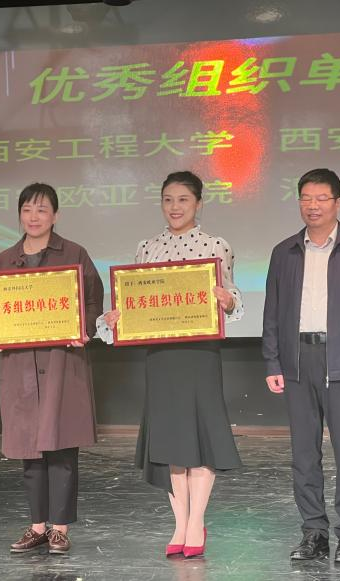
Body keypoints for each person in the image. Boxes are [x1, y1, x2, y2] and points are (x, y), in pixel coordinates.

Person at [98, 171, 243, 559]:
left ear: (198, 203)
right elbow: (134, 301)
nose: (174, 207)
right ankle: (180, 523)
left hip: (199, 354)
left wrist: (227, 300)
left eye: (183, 199)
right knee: (171, 440)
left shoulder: (216, 245)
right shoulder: (147, 248)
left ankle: (197, 522)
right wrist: (117, 318)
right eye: (167, 200)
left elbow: (232, 294)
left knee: (200, 437)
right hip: (161, 356)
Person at [262, 168, 340, 563]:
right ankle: (313, 532)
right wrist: (272, 361)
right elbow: (272, 312)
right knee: (304, 454)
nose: (312, 205)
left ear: (338, 202)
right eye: (306, 198)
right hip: (298, 361)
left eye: (321, 198)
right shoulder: (284, 252)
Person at [0, 183, 104, 555]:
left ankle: (59, 529)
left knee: (62, 446)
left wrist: (82, 328)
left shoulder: (75, 254)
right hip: (19, 365)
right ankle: (37, 526)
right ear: (19, 214)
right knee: (29, 448)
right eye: (27, 210)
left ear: (56, 215)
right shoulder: (5, 259)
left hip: (61, 361)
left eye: (42, 210)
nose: (34, 217)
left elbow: (93, 302)